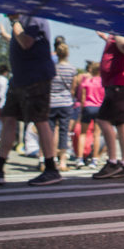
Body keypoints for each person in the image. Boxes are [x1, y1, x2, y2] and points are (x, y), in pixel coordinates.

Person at [0, 14, 61, 186]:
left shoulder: (34, 16)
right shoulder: (25, 20)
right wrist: (8, 34)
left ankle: (51, 168)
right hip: (20, 79)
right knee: (8, 119)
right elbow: (22, 40)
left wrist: (14, 22)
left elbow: (26, 42)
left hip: (36, 78)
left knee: (40, 120)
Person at [91, 32, 124, 180]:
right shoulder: (118, 33)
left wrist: (115, 34)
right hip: (118, 83)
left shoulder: (121, 31)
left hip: (119, 82)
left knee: (103, 119)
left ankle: (113, 161)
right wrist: (107, 37)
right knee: (120, 122)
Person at [48, 41, 78, 171]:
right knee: (64, 131)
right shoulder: (72, 69)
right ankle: (63, 162)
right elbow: (73, 89)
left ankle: (51, 158)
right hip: (66, 102)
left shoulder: (51, 68)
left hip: (51, 102)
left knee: (51, 131)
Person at [75, 61, 104, 166]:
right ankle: (94, 159)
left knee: (83, 134)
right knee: (97, 134)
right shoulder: (103, 82)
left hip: (88, 107)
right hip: (99, 108)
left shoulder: (87, 82)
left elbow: (82, 98)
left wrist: (82, 111)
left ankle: (80, 159)